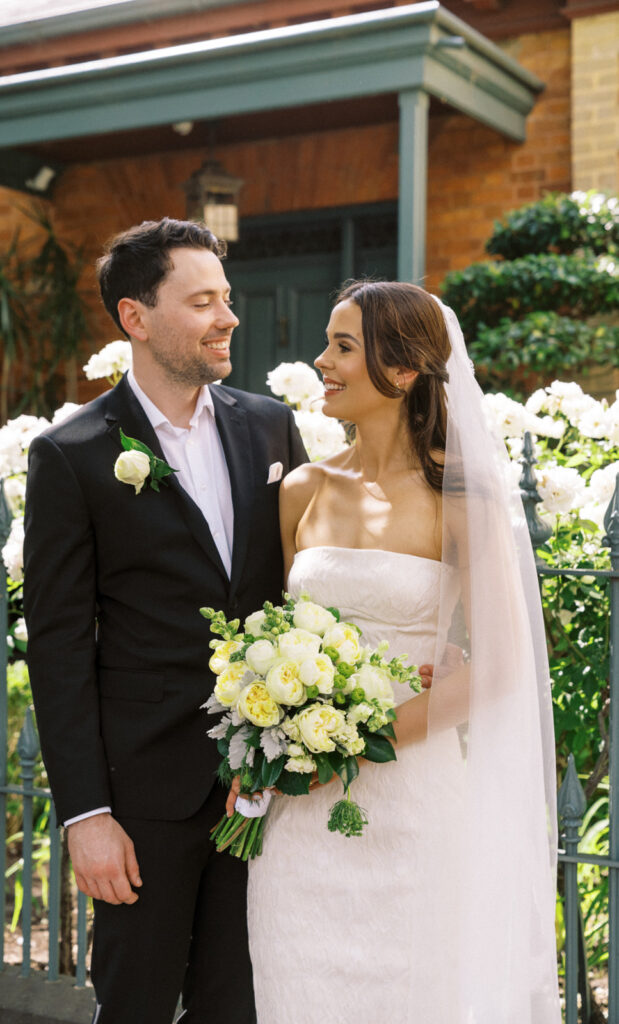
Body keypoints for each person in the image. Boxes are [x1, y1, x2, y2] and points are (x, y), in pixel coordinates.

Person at [244, 281, 561, 1024]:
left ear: (406, 369)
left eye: (342, 346)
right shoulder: (300, 489)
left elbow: (504, 664)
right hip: (300, 818)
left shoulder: (460, 497)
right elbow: (266, 634)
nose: (321, 360)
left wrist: (356, 743)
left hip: (415, 804)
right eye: (326, 342)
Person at [23, 217, 309, 1024]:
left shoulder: (268, 427)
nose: (228, 318)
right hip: (142, 799)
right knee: (138, 1004)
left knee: (242, 1004)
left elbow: (289, 597)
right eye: (201, 302)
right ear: (135, 318)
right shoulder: (72, 454)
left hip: (259, 789)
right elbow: (58, 647)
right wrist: (87, 815)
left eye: (225, 298)